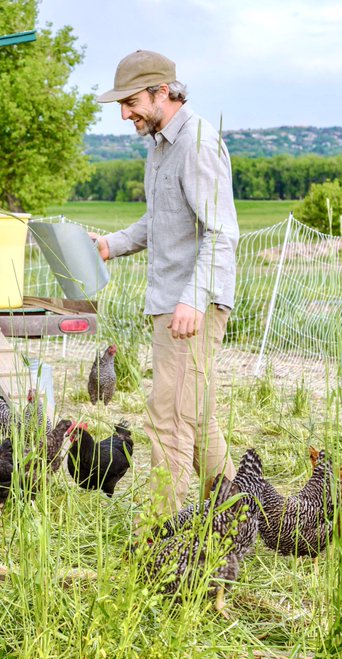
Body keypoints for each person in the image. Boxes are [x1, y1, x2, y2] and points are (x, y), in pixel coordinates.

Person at [90, 50, 239, 519]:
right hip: (173, 306)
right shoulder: (160, 147)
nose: (124, 114)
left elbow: (221, 231)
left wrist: (193, 299)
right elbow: (161, 221)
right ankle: (238, 516)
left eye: (130, 101)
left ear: (162, 92)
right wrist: (111, 244)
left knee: (168, 422)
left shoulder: (196, 143)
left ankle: (162, 538)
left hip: (190, 309)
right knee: (196, 418)